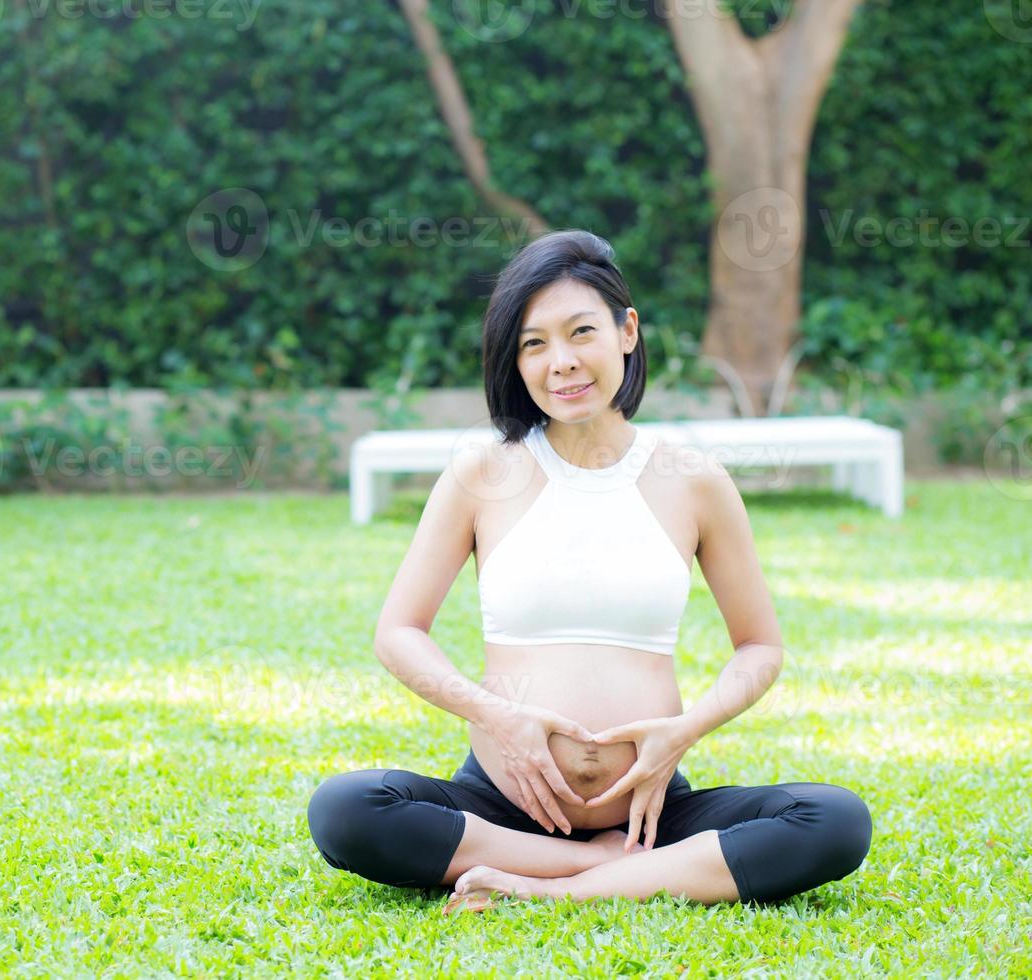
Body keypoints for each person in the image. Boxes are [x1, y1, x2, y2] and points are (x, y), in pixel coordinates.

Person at [306, 229, 872, 913]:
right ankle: (598, 868)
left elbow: (761, 646)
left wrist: (683, 731)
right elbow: (399, 632)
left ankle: (545, 890)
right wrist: (499, 718)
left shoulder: (691, 480)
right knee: (345, 809)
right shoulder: (483, 473)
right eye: (534, 344)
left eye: (580, 333)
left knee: (835, 821)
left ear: (627, 331)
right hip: (502, 804)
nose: (562, 363)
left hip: (650, 811)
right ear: (513, 360)